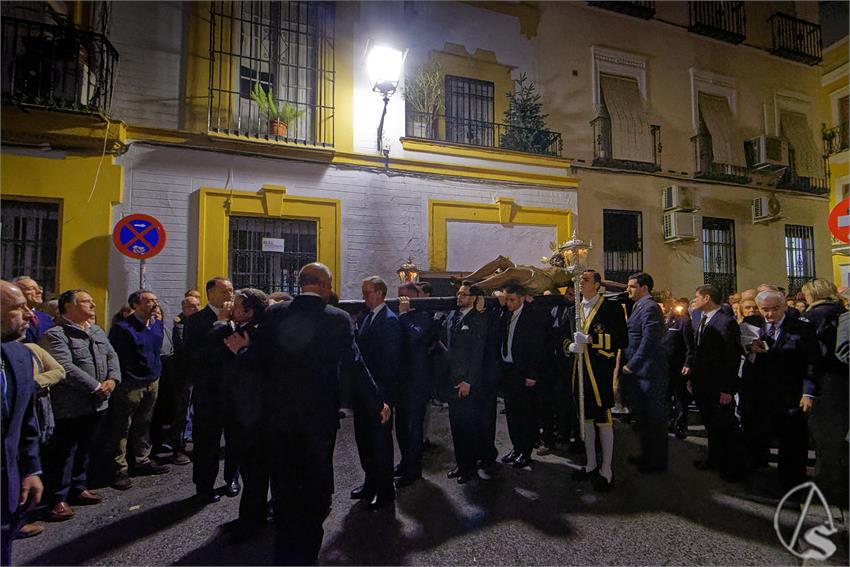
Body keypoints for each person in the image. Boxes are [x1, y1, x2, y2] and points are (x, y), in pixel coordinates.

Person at [257, 263, 389, 565]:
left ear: (301, 283)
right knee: (315, 480)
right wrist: (375, 401)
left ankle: (285, 546)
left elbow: (259, 363)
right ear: (325, 286)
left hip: (279, 416)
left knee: (284, 480)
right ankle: (307, 549)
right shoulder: (337, 319)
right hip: (318, 417)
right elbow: (354, 365)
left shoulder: (274, 314)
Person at [39, 289, 119, 521]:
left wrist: (113, 380)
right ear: (69, 307)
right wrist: (95, 386)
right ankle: (57, 499)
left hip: (97, 404)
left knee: (85, 447)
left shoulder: (95, 330)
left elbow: (111, 356)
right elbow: (65, 367)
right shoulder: (55, 335)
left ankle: (79, 487)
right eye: (86, 301)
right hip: (71, 406)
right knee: (64, 451)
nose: (92, 305)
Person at [741, 290, 818, 491]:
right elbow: (741, 354)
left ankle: (792, 485)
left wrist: (808, 393)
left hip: (790, 393)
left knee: (792, 441)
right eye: (765, 310)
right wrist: (749, 349)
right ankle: (757, 479)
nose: (770, 315)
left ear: (784, 307)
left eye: (775, 309)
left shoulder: (801, 328)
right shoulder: (752, 325)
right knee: (757, 436)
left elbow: (811, 362)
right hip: (759, 393)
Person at [566, 270, 627, 490]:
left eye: (585, 280)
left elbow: (622, 339)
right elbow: (564, 338)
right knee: (586, 420)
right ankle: (591, 464)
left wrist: (592, 340)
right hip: (578, 372)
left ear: (598, 285)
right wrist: (570, 346)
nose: (580, 283)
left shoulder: (611, 308)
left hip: (599, 373)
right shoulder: (574, 309)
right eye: (579, 280)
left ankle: (607, 469)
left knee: (603, 419)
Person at [105, 290, 170, 491]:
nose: (154, 304)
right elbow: (117, 358)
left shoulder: (157, 325)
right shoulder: (122, 329)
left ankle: (142, 460)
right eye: (149, 301)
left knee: (144, 422)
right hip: (131, 383)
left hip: (152, 381)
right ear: (136, 305)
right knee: (122, 426)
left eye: (155, 300)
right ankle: (119, 468)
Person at [183, 277, 239, 503]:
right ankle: (204, 485)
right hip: (209, 390)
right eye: (224, 291)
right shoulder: (196, 321)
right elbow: (195, 355)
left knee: (234, 437)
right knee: (207, 440)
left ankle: (232, 478)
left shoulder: (238, 316)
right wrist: (221, 324)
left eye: (231, 291)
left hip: (234, 389)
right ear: (211, 294)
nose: (229, 295)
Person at [1, 280, 44, 565]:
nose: (30, 314)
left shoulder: (19, 355)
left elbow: (26, 420)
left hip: (9, 489)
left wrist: (31, 469)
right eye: (19, 308)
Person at [684, 285, 746, 481]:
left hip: (719, 385)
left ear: (707, 298)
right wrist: (692, 377)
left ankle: (732, 467)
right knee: (711, 425)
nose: (694, 300)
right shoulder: (699, 319)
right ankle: (714, 459)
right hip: (702, 382)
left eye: (697, 297)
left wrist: (728, 389)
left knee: (725, 427)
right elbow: (695, 350)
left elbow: (731, 357)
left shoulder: (726, 323)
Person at [220, 288, 269, 532]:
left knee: (255, 469)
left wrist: (241, 351)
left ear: (249, 310)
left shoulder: (257, 335)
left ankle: (252, 520)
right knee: (251, 469)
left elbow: (258, 370)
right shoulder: (242, 331)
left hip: (254, 414)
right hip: (243, 410)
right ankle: (251, 516)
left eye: (237, 305)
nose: (232, 308)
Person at [352, 276, 401, 510]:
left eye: (367, 292)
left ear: (380, 293)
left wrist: (386, 400)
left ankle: (385, 490)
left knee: (380, 444)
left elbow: (392, 365)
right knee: (364, 441)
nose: (364, 296)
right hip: (364, 393)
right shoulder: (367, 318)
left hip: (379, 394)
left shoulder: (389, 321)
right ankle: (370, 482)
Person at [801, 279, 848, 507]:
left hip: (825, 382)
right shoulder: (841, 312)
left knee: (825, 439)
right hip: (841, 381)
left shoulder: (814, 316)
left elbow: (812, 353)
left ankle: (828, 492)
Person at [621, 272, 669, 475]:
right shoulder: (640, 306)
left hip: (649, 373)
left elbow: (649, 341)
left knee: (654, 419)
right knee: (643, 418)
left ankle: (657, 461)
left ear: (644, 287)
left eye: (632, 286)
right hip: (641, 373)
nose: (628, 290)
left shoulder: (649, 308)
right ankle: (646, 454)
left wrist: (632, 364)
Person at [441, 283, 488, 484]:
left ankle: (469, 469)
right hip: (453, 380)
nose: (459, 297)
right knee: (456, 426)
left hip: (466, 383)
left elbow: (478, 354)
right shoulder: (454, 316)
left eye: (464, 294)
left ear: (474, 297)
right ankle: (460, 464)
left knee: (468, 427)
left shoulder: (478, 319)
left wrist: (469, 381)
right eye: (458, 293)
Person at [394, 282, 438, 488]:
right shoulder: (402, 317)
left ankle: (413, 470)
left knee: (413, 429)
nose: (400, 300)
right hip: (403, 382)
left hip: (417, 383)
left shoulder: (423, 316)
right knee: (402, 427)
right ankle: (405, 463)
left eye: (403, 296)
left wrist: (403, 316)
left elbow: (414, 336)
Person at [498, 284, 544, 469]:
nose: (508, 303)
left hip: (523, 371)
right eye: (507, 299)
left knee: (525, 413)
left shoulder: (532, 317)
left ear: (523, 298)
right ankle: (516, 448)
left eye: (512, 300)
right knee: (511, 412)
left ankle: (525, 451)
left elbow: (538, 348)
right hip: (508, 369)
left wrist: (533, 374)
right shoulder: (507, 314)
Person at [167, 294, 201, 465]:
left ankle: (188, 442)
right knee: (183, 412)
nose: (195, 309)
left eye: (197, 305)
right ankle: (178, 447)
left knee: (193, 410)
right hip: (185, 374)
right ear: (183, 308)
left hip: (196, 374)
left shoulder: (198, 322)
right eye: (191, 306)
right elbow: (185, 348)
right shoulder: (180, 324)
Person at [452, 255, 571, 295]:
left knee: (510, 272)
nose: (556, 262)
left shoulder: (567, 273)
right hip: (531, 270)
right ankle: (466, 279)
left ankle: (476, 287)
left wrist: (550, 292)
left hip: (541, 280)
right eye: (555, 260)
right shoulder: (552, 268)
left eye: (559, 261)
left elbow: (559, 292)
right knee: (501, 260)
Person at [663, 298, 692, 439]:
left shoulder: (684, 321)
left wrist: (687, 363)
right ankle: (668, 421)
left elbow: (689, 345)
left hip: (679, 366)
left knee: (680, 396)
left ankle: (680, 424)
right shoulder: (665, 321)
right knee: (666, 395)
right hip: (665, 365)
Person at [12, 277, 54, 344]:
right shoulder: (10, 318)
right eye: (31, 289)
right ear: (17, 293)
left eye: (39, 288)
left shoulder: (46, 318)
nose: (39, 291)